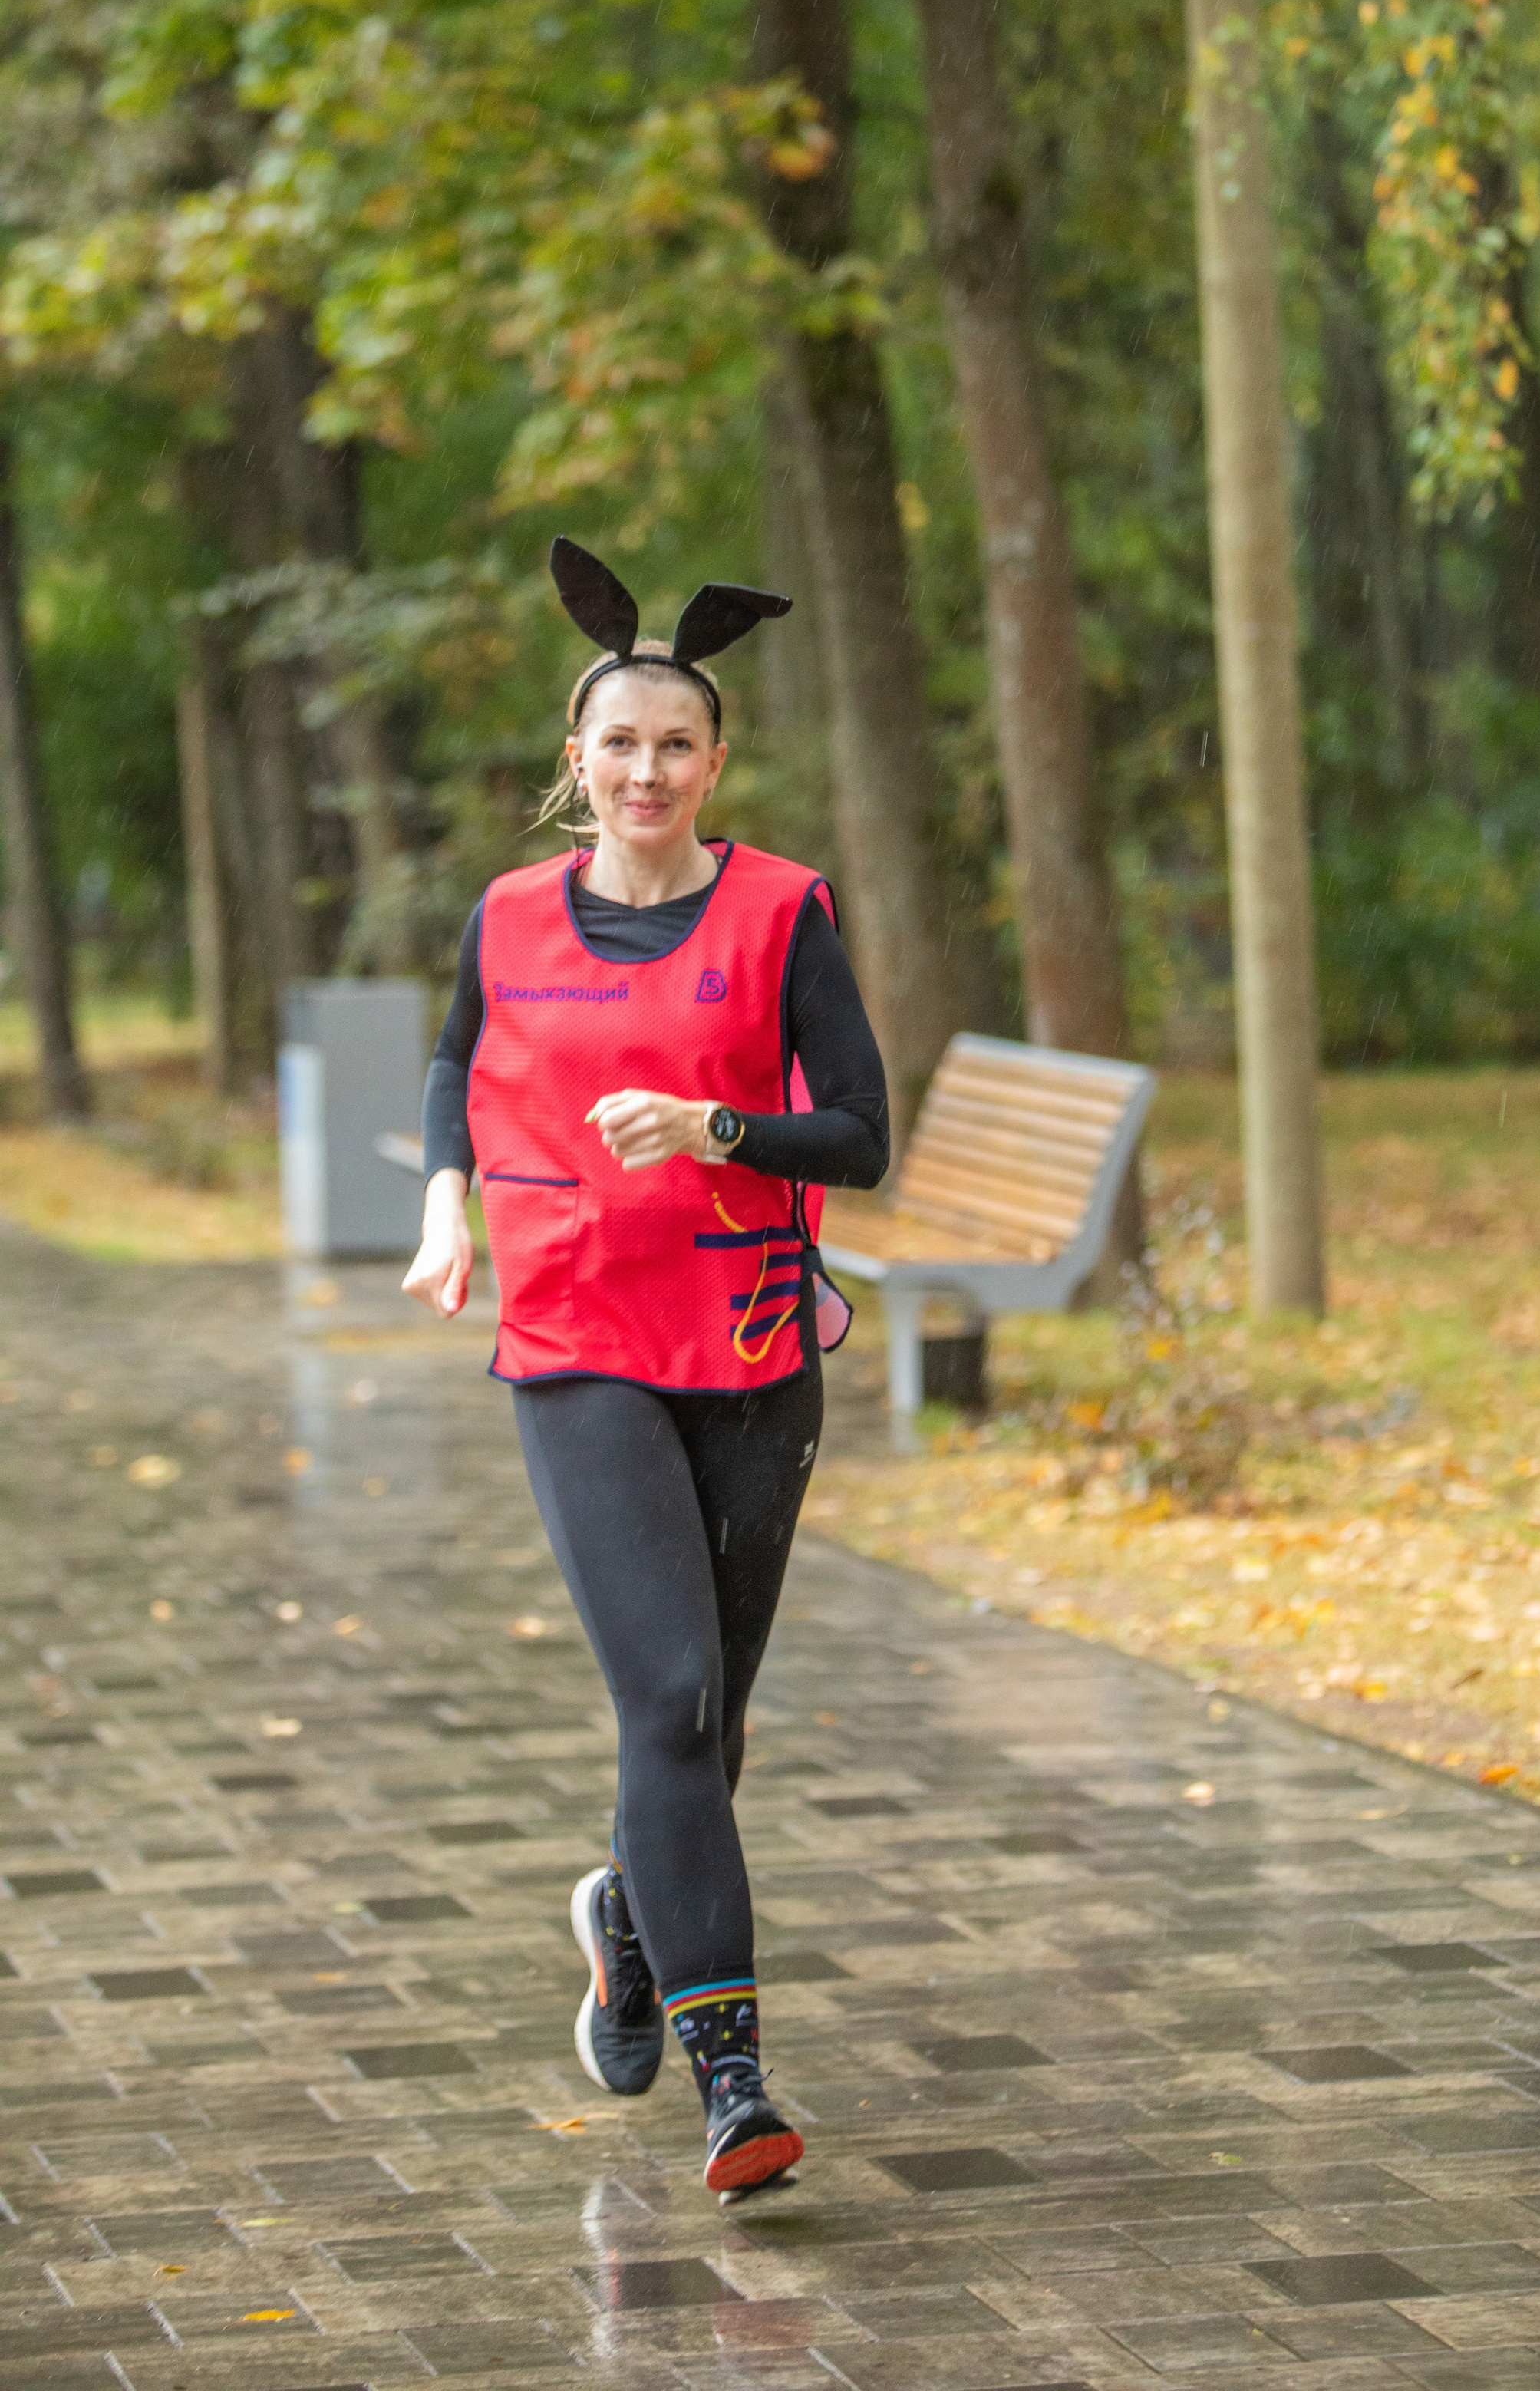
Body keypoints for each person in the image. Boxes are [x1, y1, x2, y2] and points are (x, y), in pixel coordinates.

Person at [401, 538, 888, 2204]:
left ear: (714, 764)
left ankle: (626, 1918)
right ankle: (733, 2083)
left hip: (751, 1348)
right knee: (667, 1703)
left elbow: (862, 1136)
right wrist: (441, 1202)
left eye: (676, 743)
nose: (647, 768)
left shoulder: (782, 911)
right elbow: (458, 1056)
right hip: (579, 1338)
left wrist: (715, 1128)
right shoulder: (508, 912)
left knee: (708, 1728)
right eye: (618, 742)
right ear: (577, 762)